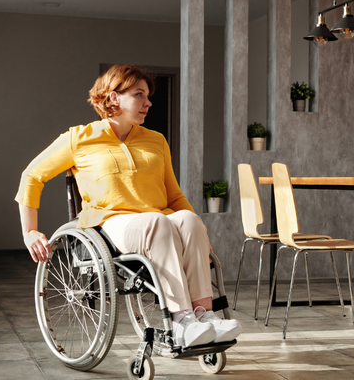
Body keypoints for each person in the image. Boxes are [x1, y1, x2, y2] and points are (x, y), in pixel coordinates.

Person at [15, 64, 241, 348]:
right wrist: (30, 231)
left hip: (159, 221)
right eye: (139, 94)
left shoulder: (156, 140)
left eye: (148, 95)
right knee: (157, 222)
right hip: (112, 225)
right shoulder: (79, 138)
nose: (148, 102)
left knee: (189, 220)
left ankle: (204, 316)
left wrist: (199, 231)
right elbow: (32, 176)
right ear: (113, 98)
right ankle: (182, 320)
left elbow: (174, 196)